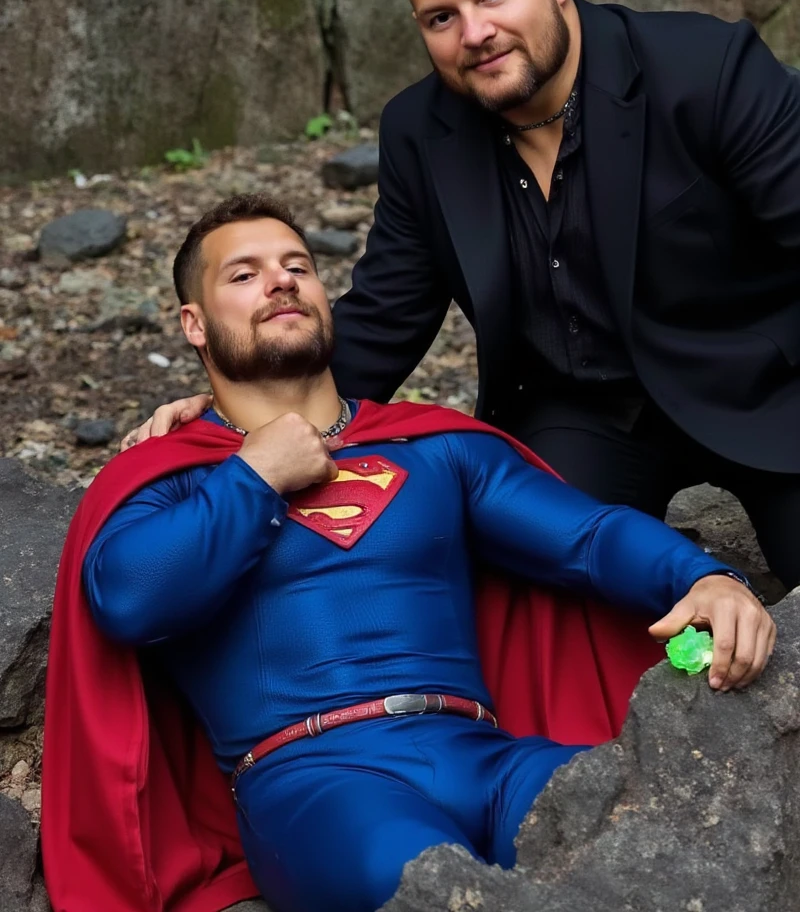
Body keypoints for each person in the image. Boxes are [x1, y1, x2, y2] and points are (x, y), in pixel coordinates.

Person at [44, 194, 775, 912]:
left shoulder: (433, 446)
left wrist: (703, 576)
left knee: (634, 836)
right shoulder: (170, 476)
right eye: (244, 274)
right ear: (193, 325)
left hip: (487, 756)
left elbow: (588, 536)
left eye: (298, 264)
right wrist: (254, 476)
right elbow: (128, 600)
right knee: (424, 885)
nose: (281, 280)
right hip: (315, 782)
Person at [131, 0, 800, 591]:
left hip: (760, 387)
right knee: (536, 594)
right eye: (442, 18)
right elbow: (387, 316)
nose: (475, 32)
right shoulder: (421, 132)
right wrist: (233, 423)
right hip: (584, 417)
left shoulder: (707, 67)